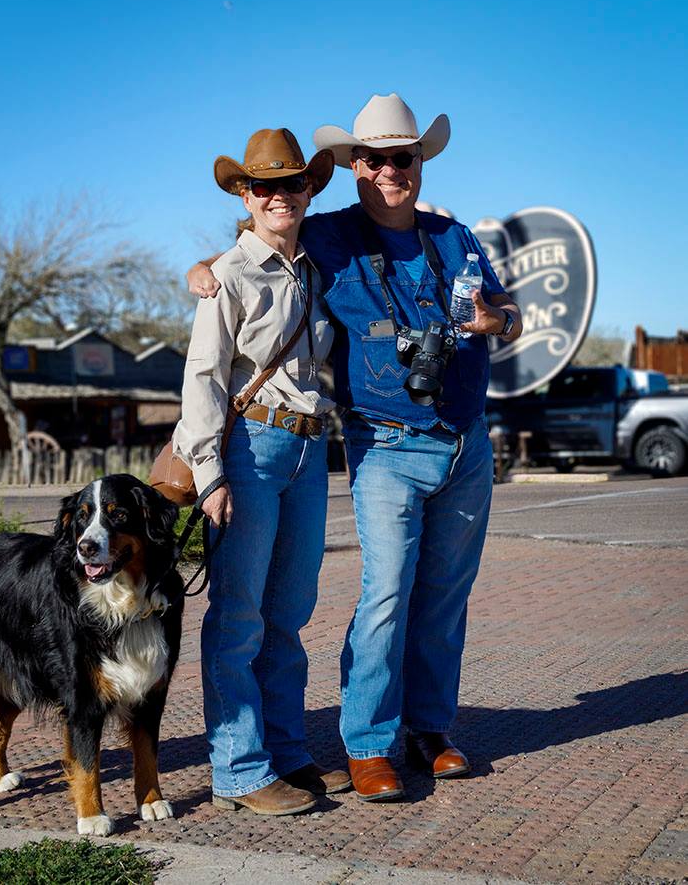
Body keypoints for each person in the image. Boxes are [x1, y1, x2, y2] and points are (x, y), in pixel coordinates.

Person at [188, 94, 522, 802]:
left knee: (419, 601)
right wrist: (203, 267)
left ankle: (417, 733)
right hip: (367, 445)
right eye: (375, 158)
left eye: (403, 157)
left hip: (439, 442)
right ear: (354, 166)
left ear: (419, 162)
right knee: (373, 596)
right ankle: (343, 748)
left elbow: (509, 311)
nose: (389, 170)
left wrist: (499, 321)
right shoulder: (325, 237)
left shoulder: (450, 237)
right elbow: (246, 275)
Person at [172, 128, 351, 815]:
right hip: (249, 448)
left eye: (292, 184)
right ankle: (239, 771)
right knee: (239, 615)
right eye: (264, 186)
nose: (280, 196)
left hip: (308, 451)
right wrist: (210, 474)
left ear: (308, 190)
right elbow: (203, 375)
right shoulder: (228, 275)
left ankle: (286, 752)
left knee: (289, 613)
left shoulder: (313, 268)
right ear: (245, 196)